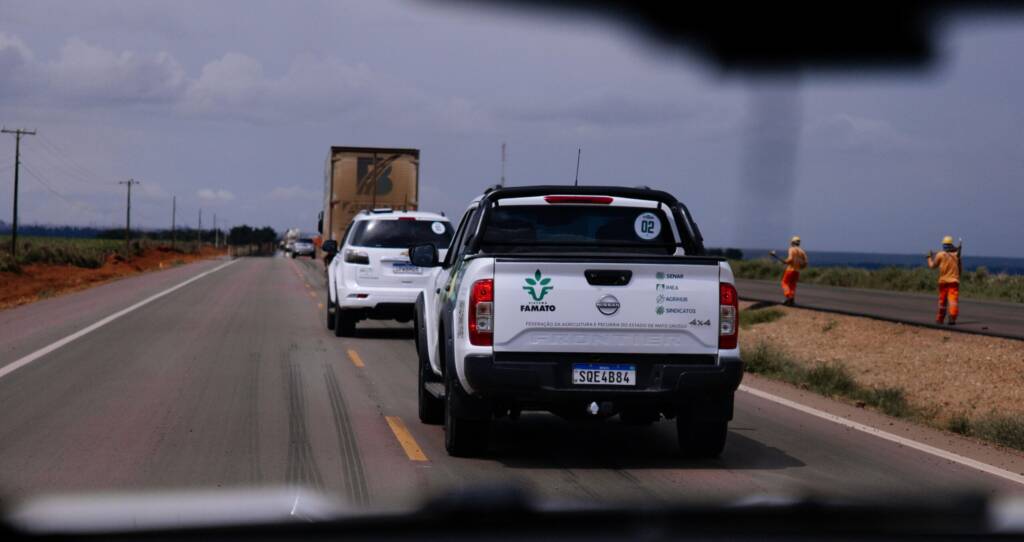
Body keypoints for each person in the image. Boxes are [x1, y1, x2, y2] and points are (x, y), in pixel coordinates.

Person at [927, 235, 962, 325]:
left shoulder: (940, 255)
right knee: (953, 301)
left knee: (942, 302)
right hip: (954, 282)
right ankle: (952, 318)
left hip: (943, 282)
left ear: (943, 244)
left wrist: (928, 257)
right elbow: (960, 268)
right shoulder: (956, 255)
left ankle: (940, 319)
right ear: (951, 244)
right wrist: (958, 277)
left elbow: (932, 266)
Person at [771, 236, 808, 306]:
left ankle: (789, 296)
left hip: (790, 270)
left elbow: (790, 259)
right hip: (797, 271)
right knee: (792, 285)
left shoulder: (791, 249)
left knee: (784, 283)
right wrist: (800, 266)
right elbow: (805, 262)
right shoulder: (802, 251)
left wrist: (785, 261)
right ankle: (791, 300)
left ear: (792, 242)